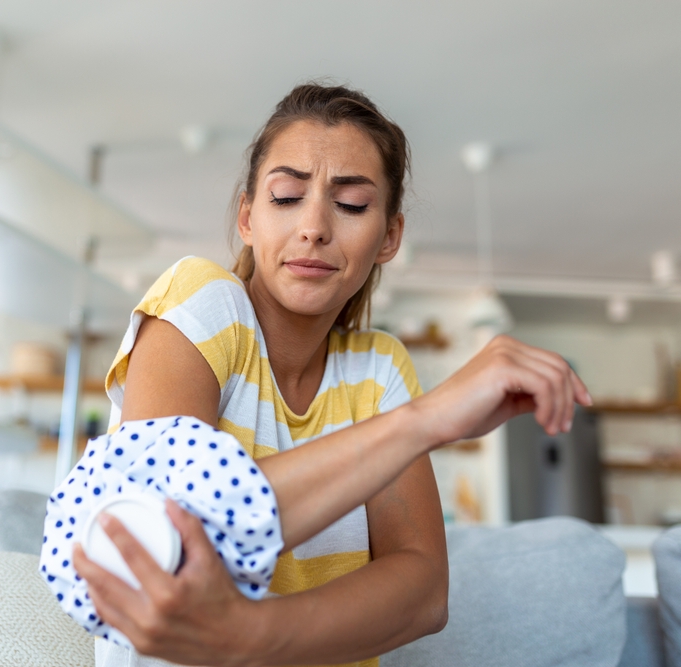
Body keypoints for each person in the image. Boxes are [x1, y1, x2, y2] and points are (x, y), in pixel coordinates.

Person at [72, 83, 590, 667]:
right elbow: (161, 531)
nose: (314, 226)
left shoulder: (379, 368)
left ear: (389, 237)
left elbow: (425, 594)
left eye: (352, 205)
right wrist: (427, 419)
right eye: (287, 196)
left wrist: (249, 633)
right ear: (247, 217)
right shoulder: (203, 299)